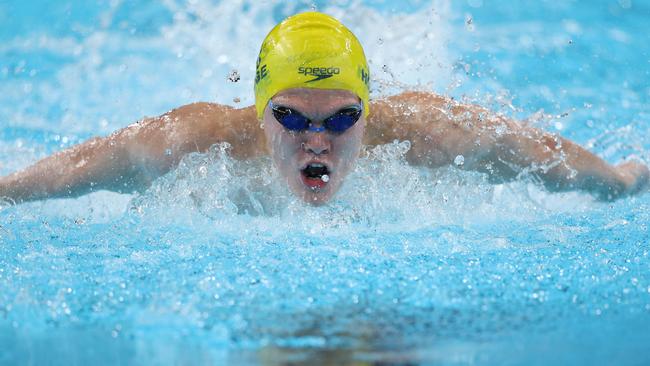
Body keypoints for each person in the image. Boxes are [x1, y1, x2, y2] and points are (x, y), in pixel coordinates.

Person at [0, 12, 648, 206]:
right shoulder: (195, 142)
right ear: (257, 113)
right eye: (290, 117)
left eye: (341, 119)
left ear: (367, 114)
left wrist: (620, 179)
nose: (317, 142)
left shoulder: (427, 135)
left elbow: (543, 155)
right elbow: (75, 167)